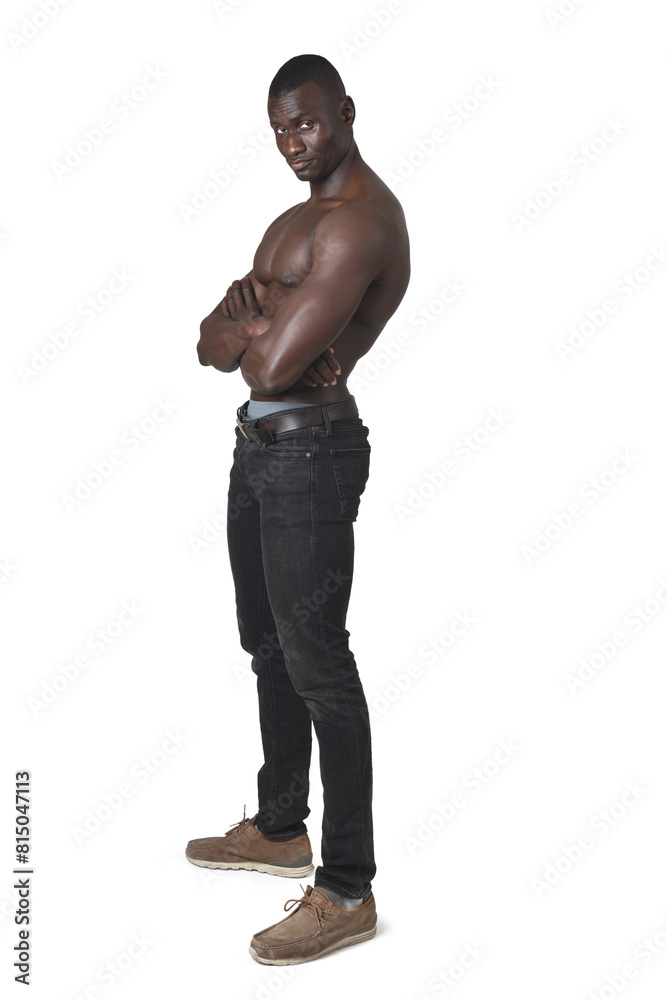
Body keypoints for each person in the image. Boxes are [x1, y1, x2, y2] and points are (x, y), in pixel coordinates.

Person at [187, 53, 411, 965]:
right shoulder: (294, 221)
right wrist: (252, 328)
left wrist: (259, 329)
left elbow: (273, 367)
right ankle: (281, 828)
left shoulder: (361, 224)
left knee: (319, 660)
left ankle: (347, 888)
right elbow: (211, 348)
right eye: (280, 128)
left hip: (314, 455)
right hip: (257, 450)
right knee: (266, 644)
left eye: (308, 124)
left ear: (346, 112)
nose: (293, 142)